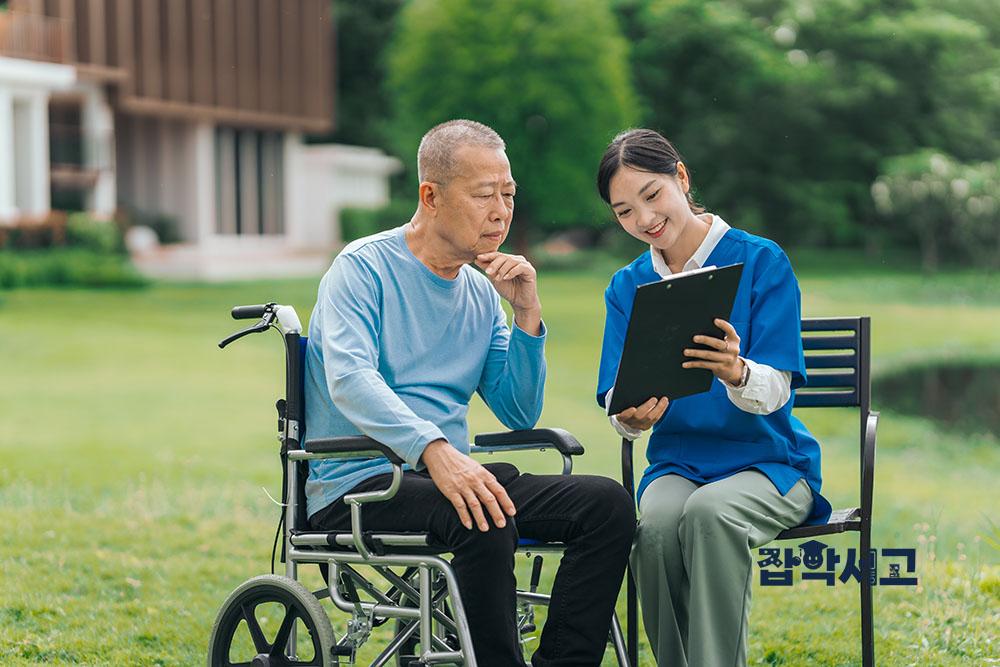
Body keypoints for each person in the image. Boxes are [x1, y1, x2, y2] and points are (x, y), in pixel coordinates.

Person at [304, 119, 635, 667]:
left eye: (507, 194)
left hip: (453, 480)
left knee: (606, 506)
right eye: (485, 195)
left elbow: (518, 408)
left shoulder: (481, 294)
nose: (501, 210)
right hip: (359, 484)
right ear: (430, 196)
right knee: (483, 513)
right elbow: (349, 379)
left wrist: (525, 313)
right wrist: (435, 452)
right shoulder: (361, 269)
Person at [594, 128, 833, 667]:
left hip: (770, 464)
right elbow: (616, 398)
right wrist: (630, 417)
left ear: (681, 177)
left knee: (709, 514)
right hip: (678, 463)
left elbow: (776, 391)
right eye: (624, 211)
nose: (645, 220)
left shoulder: (761, 261)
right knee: (653, 528)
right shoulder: (627, 286)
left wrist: (737, 371)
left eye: (652, 195)